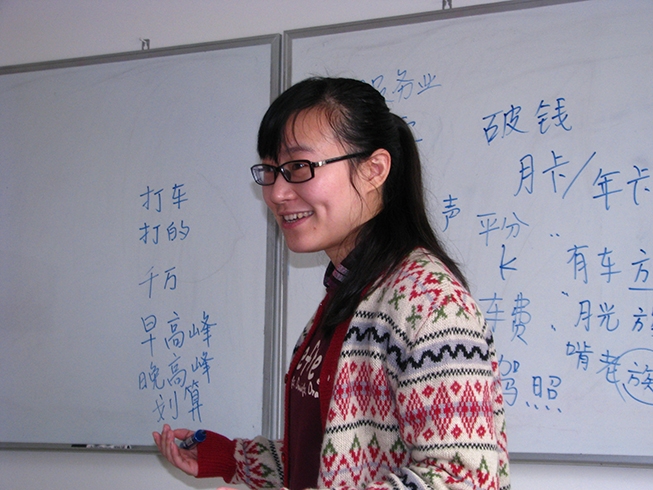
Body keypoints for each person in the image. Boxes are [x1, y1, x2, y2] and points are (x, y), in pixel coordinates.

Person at [154, 77, 510, 490]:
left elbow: (467, 480)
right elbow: (334, 459)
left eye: (299, 168)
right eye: (270, 170)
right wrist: (230, 457)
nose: (277, 192)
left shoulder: (429, 302)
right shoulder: (350, 294)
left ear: (373, 170)